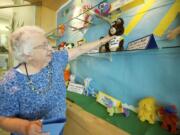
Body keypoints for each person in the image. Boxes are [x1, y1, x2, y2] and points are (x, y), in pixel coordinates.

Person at [0, 26, 114, 135]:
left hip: (57, 129)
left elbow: (79, 49)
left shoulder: (56, 59)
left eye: (48, 43)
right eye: (44, 46)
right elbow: (3, 118)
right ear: (27, 54)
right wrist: (25, 127)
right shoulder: (10, 82)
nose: (51, 48)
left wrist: (103, 40)